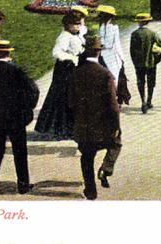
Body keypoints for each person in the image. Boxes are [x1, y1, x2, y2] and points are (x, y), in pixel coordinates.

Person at [0, 40, 40, 200]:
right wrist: (27, 107)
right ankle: (23, 185)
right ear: (8, 53)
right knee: (20, 152)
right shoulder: (16, 70)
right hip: (15, 118)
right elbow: (34, 90)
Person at [69, 36, 122, 198]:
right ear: (99, 52)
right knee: (116, 143)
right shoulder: (105, 74)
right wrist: (116, 126)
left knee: (87, 157)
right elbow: (113, 106)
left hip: (82, 125)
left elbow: (70, 101)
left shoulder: (76, 72)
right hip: (102, 125)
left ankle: (90, 190)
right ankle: (106, 168)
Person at [35, 13, 83, 140]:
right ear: (68, 25)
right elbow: (56, 52)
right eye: (75, 24)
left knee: (70, 97)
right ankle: (61, 129)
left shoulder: (74, 35)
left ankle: (68, 127)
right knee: (63, 98)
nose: (78, 27)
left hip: (71, 69)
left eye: (79, 24)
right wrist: (72, 58)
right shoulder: (64, 36)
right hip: (65, 70)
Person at [129, 13, 161, 113]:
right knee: (151, 82)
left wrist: (134, 62)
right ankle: (149, 100)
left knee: (140, 82)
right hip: (151, 62)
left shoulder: (134, 34)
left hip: (139, 64)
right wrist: (159, 57)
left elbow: (132, 51)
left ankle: (143, 101)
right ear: (148, 22)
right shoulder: (152, 33)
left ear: (139, 22)